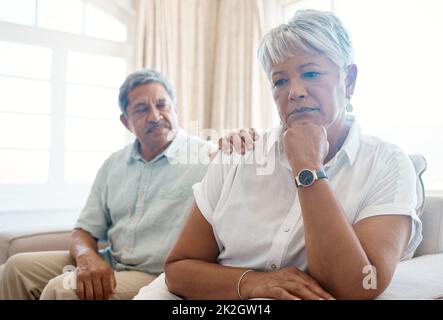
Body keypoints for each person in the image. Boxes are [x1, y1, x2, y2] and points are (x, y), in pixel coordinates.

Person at [134, 10, 423, 300]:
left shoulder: (388, 165)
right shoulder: (238, 156)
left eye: (311, 74)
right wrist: (252, 283)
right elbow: (178, 268)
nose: (294, 92)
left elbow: (362, 284)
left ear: (348, 80)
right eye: (280, 81)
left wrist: (308, 168)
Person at [0, 69, 257, 300]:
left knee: (63, 290)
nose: (156, 116)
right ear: (126, 121)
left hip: (159, 275)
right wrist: (88, 257)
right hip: (111, 261)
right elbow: (84, 231)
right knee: (15, 268)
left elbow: (247, 184)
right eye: (142, 109)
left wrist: (241, 143)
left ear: (176, 109)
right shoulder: (114, 164)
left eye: (162, 105)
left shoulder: (209, 157)